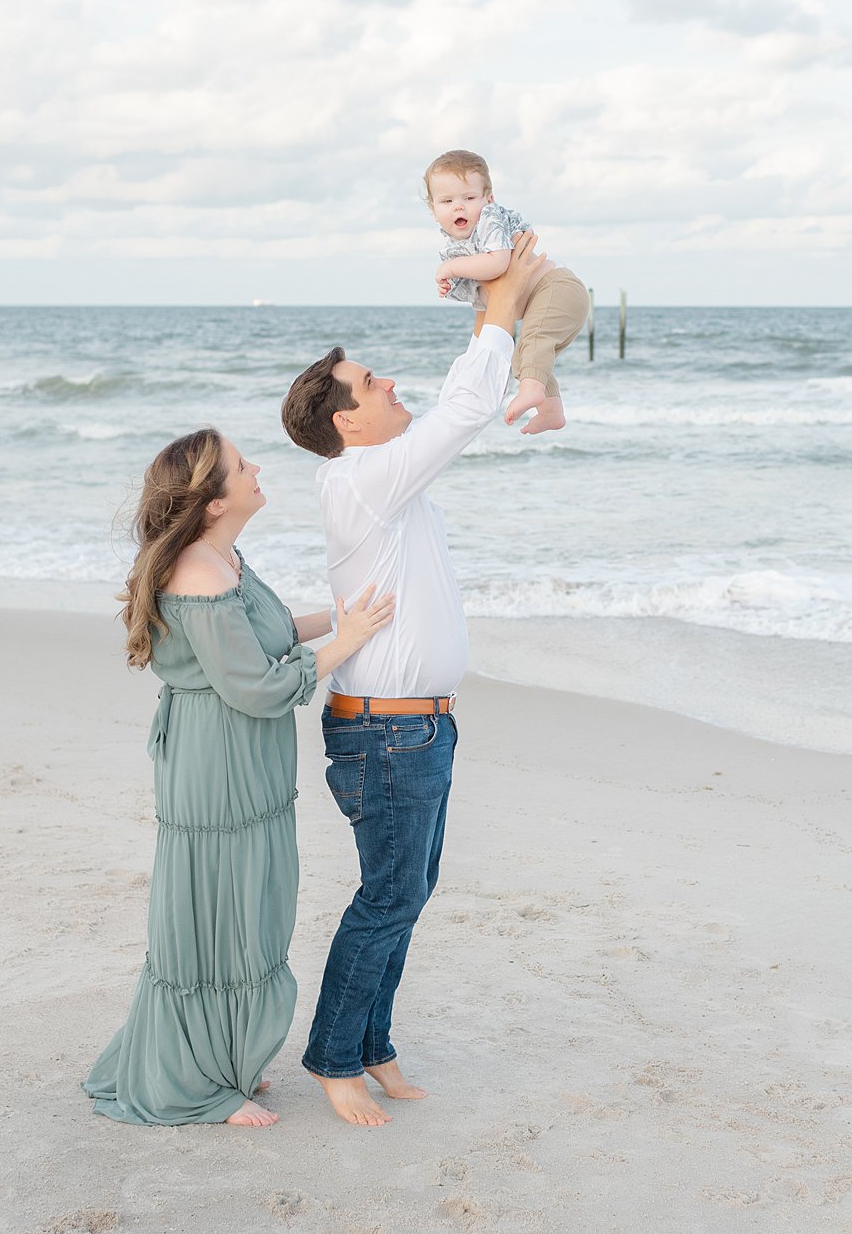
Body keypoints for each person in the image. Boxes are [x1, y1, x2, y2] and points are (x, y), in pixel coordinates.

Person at [279, 230, 549, 1125]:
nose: (390, 382)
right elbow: (465, 409)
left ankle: (372, 1044)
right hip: (389, 731)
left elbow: (454, 408)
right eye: (370, 383)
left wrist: (490, 298)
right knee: (388, 896)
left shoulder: (384, 483)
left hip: (417, 725)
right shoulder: (361, 480)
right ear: (345, 422)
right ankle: (333, 1058)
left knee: (407, 893)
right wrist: (503, 303)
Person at [84, 428, 394, 1127]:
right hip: (216, 760)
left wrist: (347, 618)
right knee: (223, 904)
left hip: (240, 760)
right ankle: (197, 1082)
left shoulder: (222, 555)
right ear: (214, 498)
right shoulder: (196, 571)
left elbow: (272, 632)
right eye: (240, 465)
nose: (256, 468)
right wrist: (346, 643)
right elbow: (253, 685)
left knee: (249, 904)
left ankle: (224, 1058)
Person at [424, 149, 588, 435]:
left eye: (469, 198)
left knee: (534, 341)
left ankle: (531, 391)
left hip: (555, 288)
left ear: (488, 199)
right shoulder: (455, 247)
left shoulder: (490, 221)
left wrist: (453, 268)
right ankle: (551, 412)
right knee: (524, 354)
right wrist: (453, 284)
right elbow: (482, 298)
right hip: (540, 301)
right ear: (433, 209)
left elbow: (498, 262)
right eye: (447, 201)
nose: (459, 207)